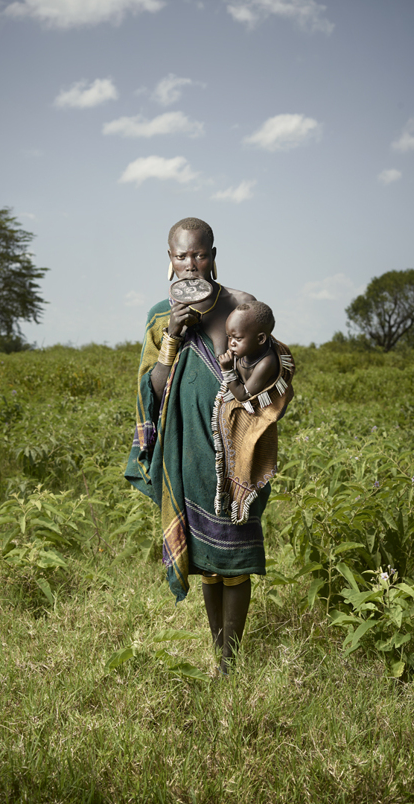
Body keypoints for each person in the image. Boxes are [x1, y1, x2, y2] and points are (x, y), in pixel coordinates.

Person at [125, 218, 294, 675]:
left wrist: (248, 397)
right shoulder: (161, 316)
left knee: (234, 554)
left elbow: (278, 364)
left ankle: (230, 662)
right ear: (169, 261)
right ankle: (218, 656)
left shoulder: (240, 307)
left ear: (213, 256)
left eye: (199, 254)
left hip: (236, 452)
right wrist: (174, 338)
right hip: (189, 449)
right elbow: (152, 392)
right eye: (182, 256)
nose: (190, 264)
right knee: (208, 561)